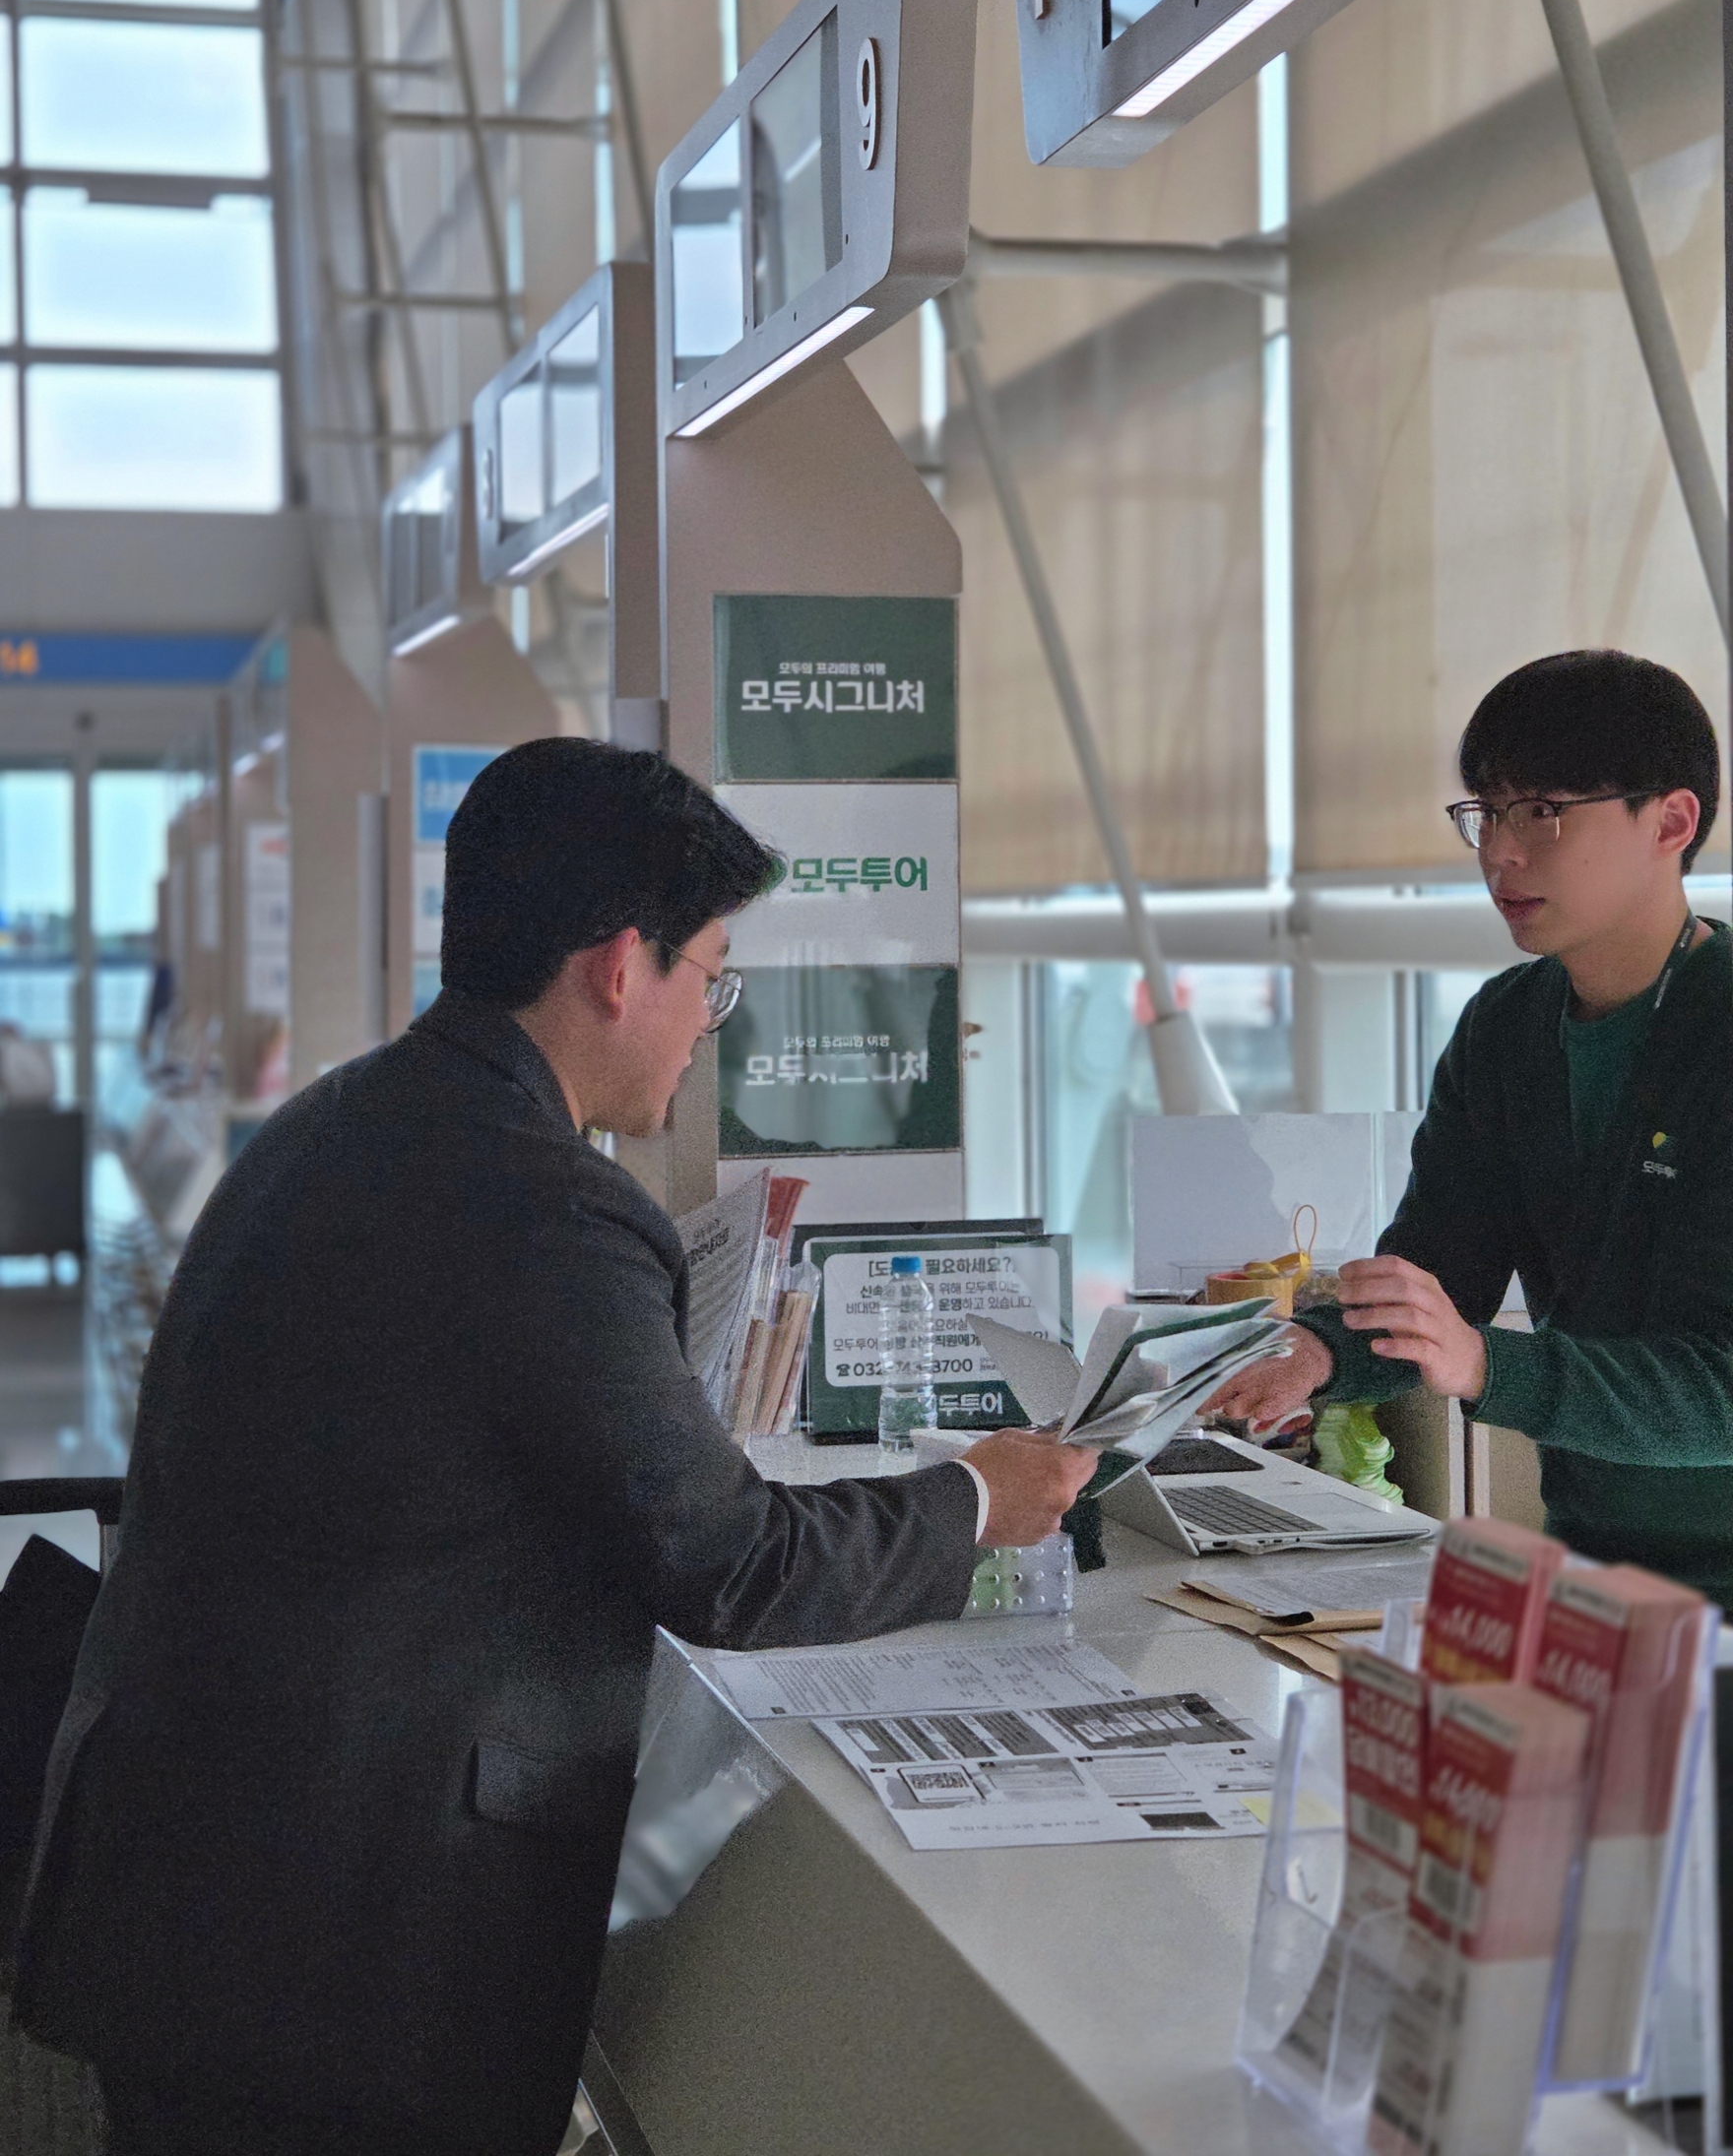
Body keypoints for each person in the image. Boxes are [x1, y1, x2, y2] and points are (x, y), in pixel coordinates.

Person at [11, 739, 1096, 2156]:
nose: (710, 1022)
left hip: (211, 1894)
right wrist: (976, 1499)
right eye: (712, 976)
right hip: (336, 1954)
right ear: (621, 965)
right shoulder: (543, 1207)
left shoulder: (343, 1119)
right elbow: (731, 1563)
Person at [1209, 649, 1732, 1601]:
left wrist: (1487, 1363)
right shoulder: (1505, 1028)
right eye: (1487, 813)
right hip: (1594, 1565)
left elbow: (1722, 1390)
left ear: (1671, 821)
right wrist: (1317, 1354)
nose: (1500, 852)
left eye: (1543, 812)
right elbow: (1439, 1278)